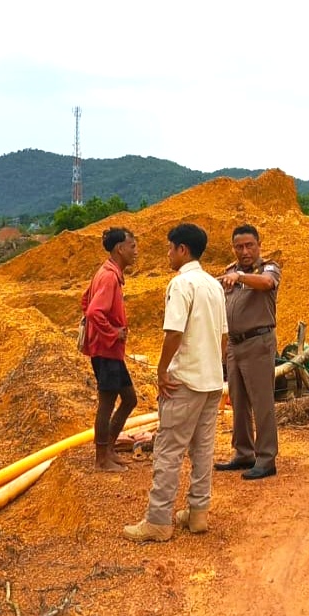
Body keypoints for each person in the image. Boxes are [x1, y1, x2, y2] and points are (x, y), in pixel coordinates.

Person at [123, 223, 228, 542]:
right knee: (202, 449)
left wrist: (162, 370)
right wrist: (215, 367)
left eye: (170, 248)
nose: (168, 254)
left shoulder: (181, 284)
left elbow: (174, 333)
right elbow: (224, 337)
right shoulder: (215, 286)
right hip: (211, 382)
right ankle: (198, 514)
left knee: (168, 451)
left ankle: (158, 521)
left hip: (184, 381)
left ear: (183, 249)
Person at [214, 224, 281, 480]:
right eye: (239, 247)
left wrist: (240, 278)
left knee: (262, 403)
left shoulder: (268, 269)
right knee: (238, 401)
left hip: (258, 342)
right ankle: (244, 453)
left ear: (258, 245)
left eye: (249, 245)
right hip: (234, 343)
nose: (244, 251)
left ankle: (266, 459)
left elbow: (266, 283)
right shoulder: (230, 271)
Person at [81, 227, 139, 471]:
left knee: (129, 399)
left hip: (108, 350)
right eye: (133, 246)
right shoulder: (109, 277)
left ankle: (109, 449)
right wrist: (112, 332)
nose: (136, 252)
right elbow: (94, 310)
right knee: (107, 402)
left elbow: (85, 301)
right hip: (106, 351)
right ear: (120, 248)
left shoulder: (107, 273)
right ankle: (101, 459)